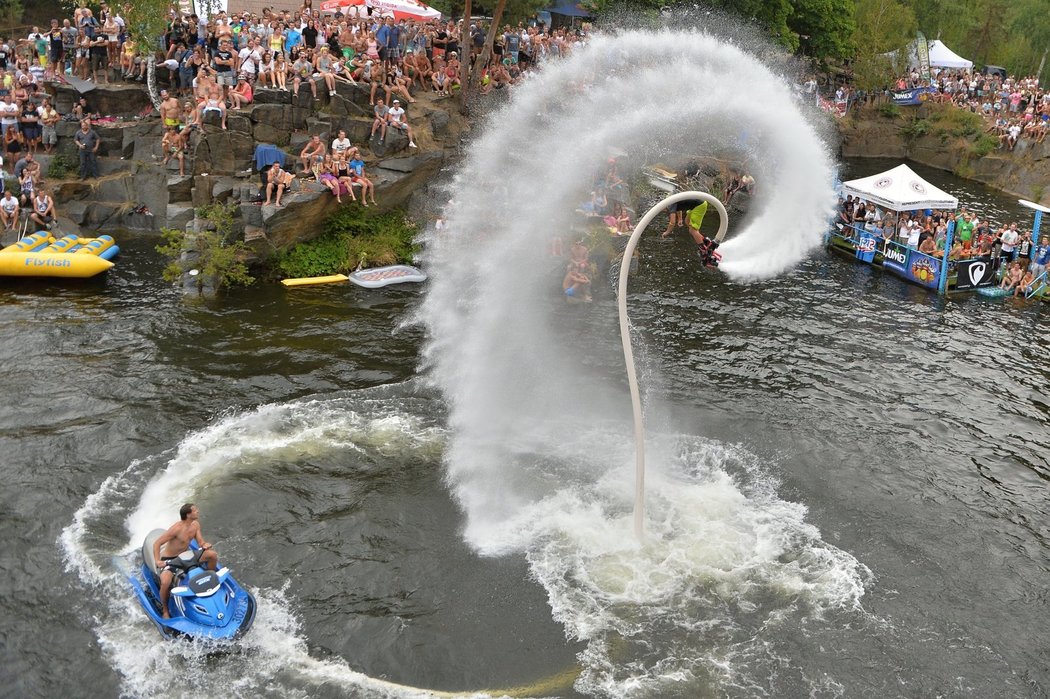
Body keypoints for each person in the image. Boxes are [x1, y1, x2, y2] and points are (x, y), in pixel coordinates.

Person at [152, 503, 219, 620]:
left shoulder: (195, 525)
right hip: (171, 560)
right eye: (195, 510)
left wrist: (204, 545)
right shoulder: (176, 529)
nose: (198, 511)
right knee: (165, 582)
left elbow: (200, 542)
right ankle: (165, 610)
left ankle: (210, 580)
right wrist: (157, 561)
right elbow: (157, 543)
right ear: (188, 514)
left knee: (212, 555)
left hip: (187, 555)